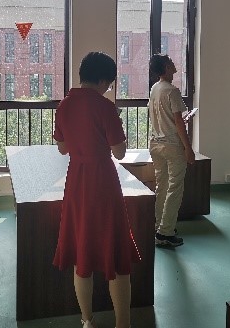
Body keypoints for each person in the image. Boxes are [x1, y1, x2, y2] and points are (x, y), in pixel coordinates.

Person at [53, 51, 139, 328]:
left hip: (76, 182)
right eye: (109, 84)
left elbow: (63, 148)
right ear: (103, 80)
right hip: (103, 182)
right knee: (117, 254)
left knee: (82, 253)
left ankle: (87, 320)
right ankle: (122, 324)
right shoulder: (105, 107)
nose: (108, 89)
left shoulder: (64, 105)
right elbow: (120, 152)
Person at [148, 54, 195, 248]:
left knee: (162, 186)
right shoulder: (172, 91)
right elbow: (178, 123)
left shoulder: (155, 88)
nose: (174, 64)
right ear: (166, 67)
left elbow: (164, 117)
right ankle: (165, 232)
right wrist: (188, 148)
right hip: (172, 146)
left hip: (155, 143)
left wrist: (179, 122)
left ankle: (158, 226)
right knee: (175, 188)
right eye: (170, 62)